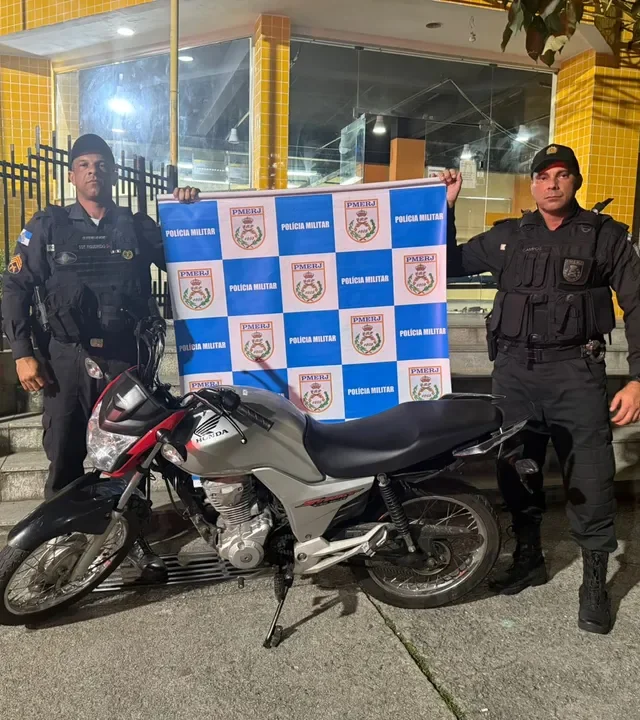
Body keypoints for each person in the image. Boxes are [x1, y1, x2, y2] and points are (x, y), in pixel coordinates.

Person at [440, 144, 640, 635]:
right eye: (543, 176)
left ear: (576, 182)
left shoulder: (605, 237)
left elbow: (637, 304)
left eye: (562, 175)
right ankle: (529, 558)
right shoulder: (508, 236)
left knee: (591, 477)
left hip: (576, 374)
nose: (552, 184)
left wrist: (638, 379)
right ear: (532, 184)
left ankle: (594, 581)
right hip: (515, 374)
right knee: (516, 470)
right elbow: (445, 264)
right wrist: (445, 208)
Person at [1, 133, 198, 582]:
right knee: (65, 454)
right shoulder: (48, 226)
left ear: (112, 174)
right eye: (85, 165)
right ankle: (56, 551)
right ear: (73, 175)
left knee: (131, 457)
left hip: (126, 359)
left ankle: (131, 544)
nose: (94, 171)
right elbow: (15, 287)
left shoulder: (136, 226)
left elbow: (187, 256)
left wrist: (188, 210)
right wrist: (23, 353)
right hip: (66, 359)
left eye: (102, 164)